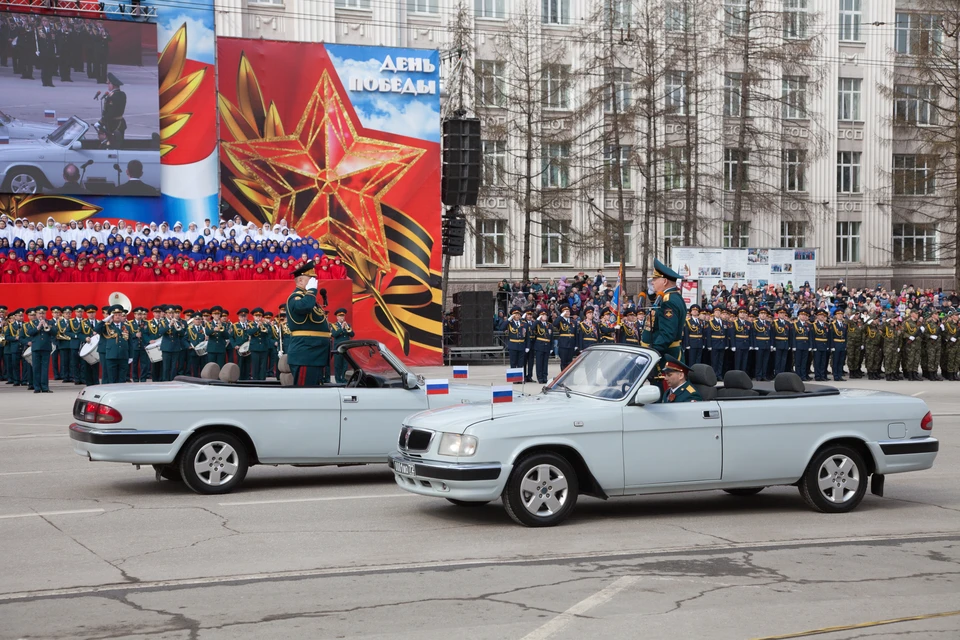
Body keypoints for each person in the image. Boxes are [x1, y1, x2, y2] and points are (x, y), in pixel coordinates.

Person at [286, 260, 331, 387]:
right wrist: (311, 291)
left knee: (314, 391)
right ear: (300, 281)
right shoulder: (296, 297)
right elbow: (302, 308)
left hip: (314, 354)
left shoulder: (309, 299)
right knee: (305, 392)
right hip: (306, 354)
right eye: (311, 278)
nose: (314, 282)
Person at [640, 259, 687, 369]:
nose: (652, 282)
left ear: (664, 281)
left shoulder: (668, 301)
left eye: (655, 279)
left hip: (666, 358)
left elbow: (667, 334)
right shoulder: (671, 297)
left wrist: (651, 353)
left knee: (662, 386)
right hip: (665, 355)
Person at [97, 305, 129, 384]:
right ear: (112, 316)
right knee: (112, 379)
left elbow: (130, 342)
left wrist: (130, 355)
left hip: (123, 355)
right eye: (115, 315)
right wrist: (105, 320)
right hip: (111, 355)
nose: (118, 316)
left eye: (119, 314)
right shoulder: (107, 326)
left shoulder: (127, 326)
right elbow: (97, 329)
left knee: (122, 379)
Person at [25, 305, 55, 393]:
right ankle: (37, 387)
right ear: (36, 314)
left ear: (45, 314)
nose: (41, 315)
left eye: (43, 313)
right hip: (36, 348)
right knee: (36, 368)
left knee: (45, 368)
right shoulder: (32, 323)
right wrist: (38, 326)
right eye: (39, 313)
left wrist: (46, 326)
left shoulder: (50, 322)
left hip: (46, 347)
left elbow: (54, 332)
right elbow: (29, 332)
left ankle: (45, 387)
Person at [100, 72, 126, 147]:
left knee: (113, 144)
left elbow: (110, 112)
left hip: (114, 124)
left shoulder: (113, 96)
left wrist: (102, 122)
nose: (108, 85)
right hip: (119, 123)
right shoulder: (122, 94)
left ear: (112, 85)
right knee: (119, 142)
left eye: (109, 84)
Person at [331, 308, 354, 383]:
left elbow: (352, 334)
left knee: (345, 364)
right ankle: (338, 380)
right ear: (337, 317)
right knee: (338, 364)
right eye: (340, 316)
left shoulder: (347, 325)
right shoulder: (334, 325)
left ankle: (343, 379)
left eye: (343, 316)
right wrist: (342, 328)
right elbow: (334, 335)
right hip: (338, 348)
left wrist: (347, 328)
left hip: (346, 348)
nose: (342, 318)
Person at [532, 309, 552, 384]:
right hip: (539, 345)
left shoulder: (549, 325)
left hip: (547, 345)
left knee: (545, 363)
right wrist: (537, 320)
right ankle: (540, 377)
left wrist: (551, 347)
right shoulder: (537, 324)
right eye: (543, 315)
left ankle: (545, 377)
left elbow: (551, 337)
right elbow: (532, 328)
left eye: (545, 315)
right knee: (539, 362)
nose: (545, 316)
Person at [553, 305, 576, 370]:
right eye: (566, 311)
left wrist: (576, 344)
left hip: (571, 344)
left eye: (568, 311)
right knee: (564, 362)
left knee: (570, 362)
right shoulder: (560, 321)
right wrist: (561, 316)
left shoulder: (573, 322)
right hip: (563, 344)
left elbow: (576, 334)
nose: (568, 313)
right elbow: (554, 324)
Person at [830, 308, 847, 381]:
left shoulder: (844, 325)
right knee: (835, 360)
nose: (840, 316)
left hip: (842, 344)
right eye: (838, 314)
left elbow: (846, 335)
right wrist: (832, 346)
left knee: (841, 361)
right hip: (836, 344)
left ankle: (840, 375)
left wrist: (846, 345)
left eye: (841, 314)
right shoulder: (833, 324)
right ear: (836, 316)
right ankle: (835, 375)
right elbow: (831, 336)